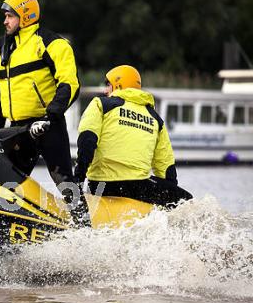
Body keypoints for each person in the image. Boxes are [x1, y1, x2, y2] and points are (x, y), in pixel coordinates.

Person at [0, 0, 80, 203]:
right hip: (17, 130)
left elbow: (69, 84)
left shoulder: (52, 43)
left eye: (10, 16)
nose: (5, 21)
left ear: (25, 16)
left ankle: (85, 227)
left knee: (65, 183)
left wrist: (51, 116)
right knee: (5, 185)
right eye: (5, 16)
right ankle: (8, 229)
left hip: (48, 126)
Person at [75, 65, 192, 208]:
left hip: (101, 186)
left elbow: (87, 140)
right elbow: (166, 167)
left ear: (119, 85)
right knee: (186, 200)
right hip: (137, 188)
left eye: (108, 85)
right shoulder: (155, 118)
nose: (105, 90)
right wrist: (168, 195)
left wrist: (78, 180)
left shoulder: (100, 104)